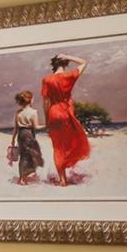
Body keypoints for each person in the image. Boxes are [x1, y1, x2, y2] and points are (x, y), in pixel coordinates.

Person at [41, 53, 91, 184]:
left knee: (57, 147)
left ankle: (62, 179)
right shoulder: (69, 76)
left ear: (54, 64)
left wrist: (47, 120)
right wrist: (68, 56)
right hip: (66, 113)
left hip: (53, 113)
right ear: (65, 63)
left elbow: (46, 102)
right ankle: (68, 164)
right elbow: (84, 62)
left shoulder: (47, 79)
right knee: (73, 141)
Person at [8, 89, 45, 185]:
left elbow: (15, 128)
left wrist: (12, 140)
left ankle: (23, 176)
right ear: (30, 100)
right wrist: (47, 125)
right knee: (33, 154)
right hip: (29, 134)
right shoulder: (33, 112)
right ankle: (23, 178)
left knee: (23, 156)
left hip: (21, 135)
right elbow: (36, 127)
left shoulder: (18, 112)